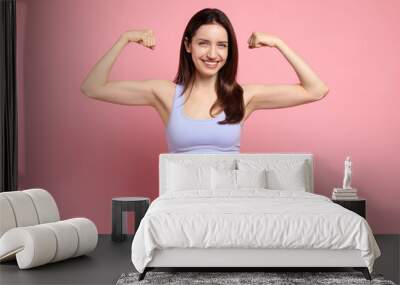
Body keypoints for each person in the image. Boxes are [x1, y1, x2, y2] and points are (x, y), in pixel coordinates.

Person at [80, 8, 329, 153]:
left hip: (227, 207)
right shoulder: (166, 94)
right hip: (180, 207)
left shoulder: (242, 97)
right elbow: (92, 88)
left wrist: (278, 43)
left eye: (222, 45)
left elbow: (316, 90)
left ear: (229, 51)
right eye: (203, 43)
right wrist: (125, 39)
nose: (212, 54)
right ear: (188, 45)